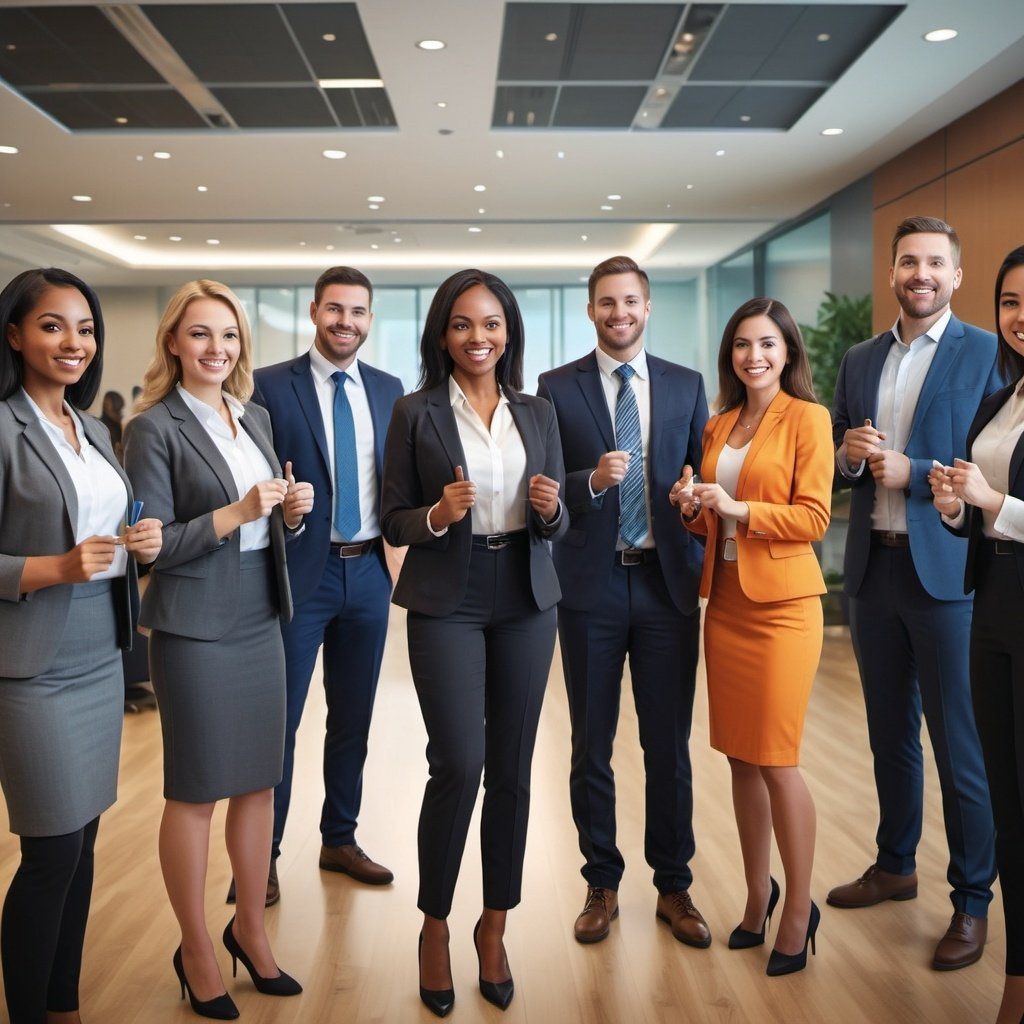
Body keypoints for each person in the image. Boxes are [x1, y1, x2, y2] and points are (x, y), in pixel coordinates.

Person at [123, 280, 312, 1019]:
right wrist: (237, 512)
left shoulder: (253, 414)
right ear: (173, 342)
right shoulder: (153, 427)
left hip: (262, 614)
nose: (216, 349)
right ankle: (196, 944)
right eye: (200, 334)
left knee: (260, 782)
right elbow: (156, 547)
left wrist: (289, 514)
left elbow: (268, 522)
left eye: (228, 335)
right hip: (194, 622)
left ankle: (251, 931)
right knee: (196, 789)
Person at [381, 269, 566, 1016]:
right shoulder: (413, 412)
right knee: (458, 762)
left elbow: (558, 523)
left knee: (514, 773)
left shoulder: (538, 411)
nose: (478, 337)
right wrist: (436, 512)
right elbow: (393, 518)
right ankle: (434, 925)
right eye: (462, 324)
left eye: (491, 323)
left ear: (509, 332)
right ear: (442, 334)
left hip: (525, 597)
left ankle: (495, 926)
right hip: (444, 600)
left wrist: (551, 510)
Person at [829, 215, 1000, 970]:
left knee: (958, 743)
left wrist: (914, 473)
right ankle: (896, 864)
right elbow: (837, 456)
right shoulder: (861, 358)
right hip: (873, 574)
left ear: (956, 276)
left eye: (935, 262)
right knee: (888, 734)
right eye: (908, 261)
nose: (920, 274)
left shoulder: (990, 354)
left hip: (949, 575)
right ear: (892, 272)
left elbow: (997, 463)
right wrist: (848, 455)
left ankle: (971, 901)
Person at [0, 267, 161, 1024]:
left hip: (102, 652)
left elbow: (106, 523)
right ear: (14, 335)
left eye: (85, 328)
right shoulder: (3, 426)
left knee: (86, 843)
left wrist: (140, 541)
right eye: (53, 325)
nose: (73, 342)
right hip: (31, 668)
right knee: (51, 852)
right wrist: (53, 568)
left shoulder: (92, 427)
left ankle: (63, 1007)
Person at [536, 255, 710, 947]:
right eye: (606, 302)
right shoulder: (555, 387)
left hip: (668, 584)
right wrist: (591, 481)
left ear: (647, 306)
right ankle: (600, 881)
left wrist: (693, 500)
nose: (619, 313)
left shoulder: (687, 384)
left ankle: (675, 885)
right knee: (591, 744)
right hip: (590, 586)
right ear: (591, 310)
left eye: (630, 301)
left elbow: (699, 473)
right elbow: (542, 485)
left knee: (667, 745)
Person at [671, 297, 832, 975]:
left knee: (776, 758)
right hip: (729, 602)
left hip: (786, 607)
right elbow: (713, 523)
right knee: (739, 756)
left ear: (789, 351)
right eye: (741, 344)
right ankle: (756, 893)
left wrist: (738, 507)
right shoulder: (719, 424)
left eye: (767, 343)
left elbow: (815, 516)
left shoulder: (810, 419)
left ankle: (799, 907)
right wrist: (693, 508)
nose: (753, 356)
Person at [250, 266, 403, 904]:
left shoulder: (391, 390)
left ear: (370, 319)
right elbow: (245, 481)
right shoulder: (266, 388)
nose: (346, 322)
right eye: (335, 309)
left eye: (359, 311)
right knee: (277, 724)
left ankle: (339, 837)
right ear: (315, 311)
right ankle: (263, 857)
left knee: (354, 719)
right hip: (297, 577)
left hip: (367, 574)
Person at [929, 245, 1024, 1022]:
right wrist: (957, 506)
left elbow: (1004, 505)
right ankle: (1017, 977)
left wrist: (992, 504)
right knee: (1008, 801)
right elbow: (982, 510)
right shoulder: (1002, 399)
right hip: (992, 610)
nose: (1022, 317)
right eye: (1013, 301)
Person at [99, 389, 125, 460]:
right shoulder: (100, 426)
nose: (120, 415)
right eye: (115, 411)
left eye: (118, 411)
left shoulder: (121, 425)